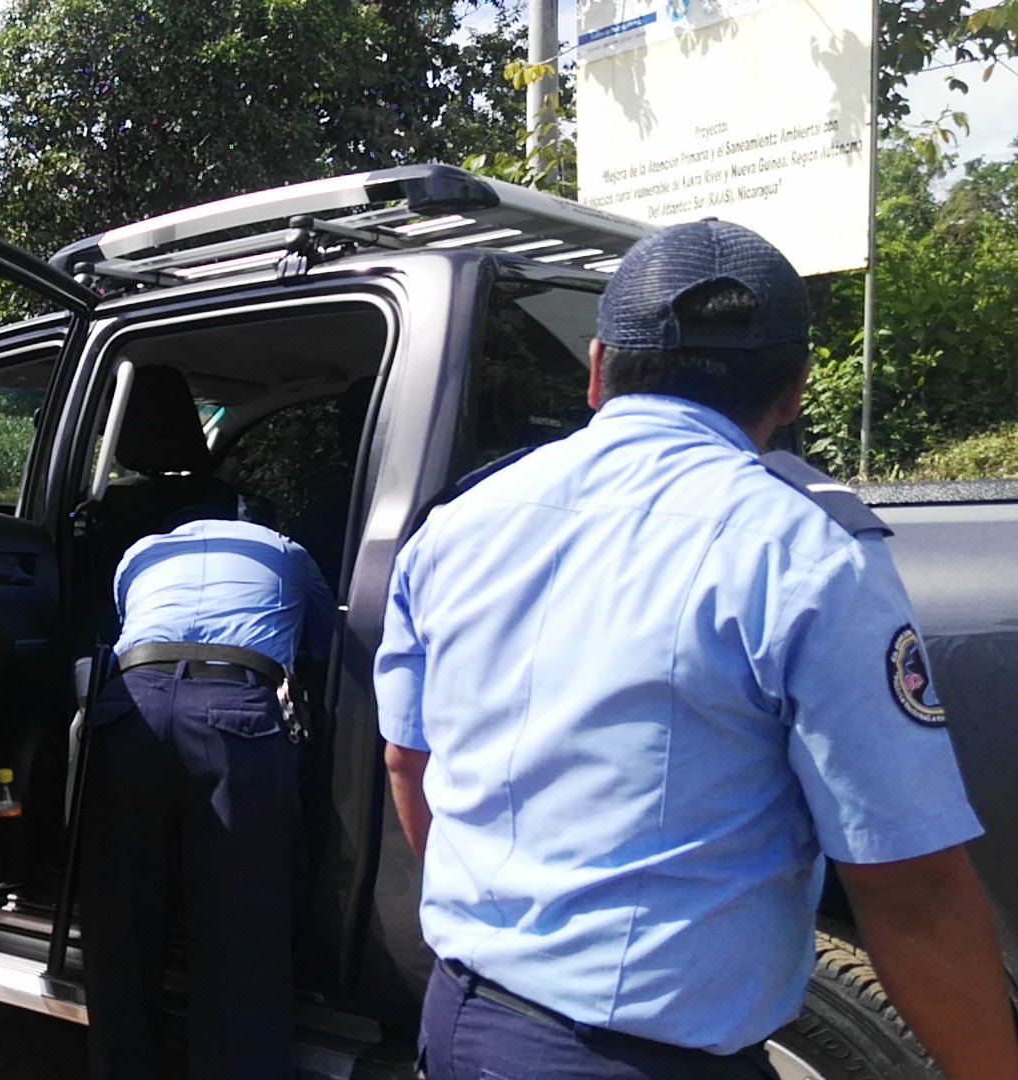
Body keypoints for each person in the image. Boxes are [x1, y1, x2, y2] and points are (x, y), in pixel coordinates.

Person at [375, 219, 1018, 1079]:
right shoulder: (806, 556)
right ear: (794, 392)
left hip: (462, 1026)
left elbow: (408, 767)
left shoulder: (453, 530)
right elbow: (912, 890)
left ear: (598, 368)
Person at [80, 506, 336, 1080]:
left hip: (129, 707)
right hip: (234, 712)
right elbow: (324, 645)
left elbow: (132, 624)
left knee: (120, 920)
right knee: (241, 928)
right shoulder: (288, 554)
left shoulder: (141, 552)